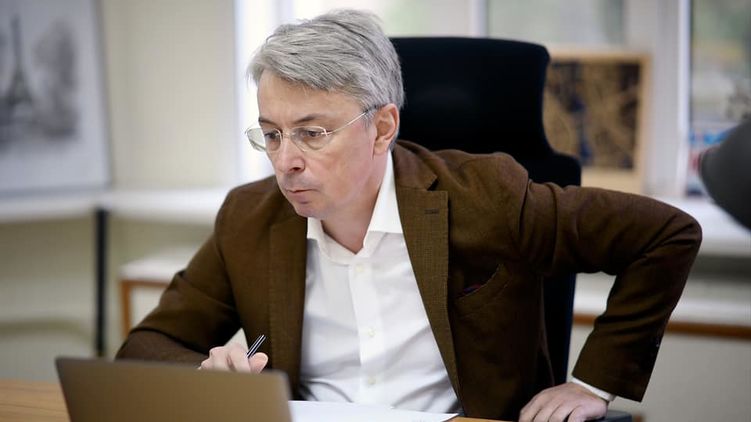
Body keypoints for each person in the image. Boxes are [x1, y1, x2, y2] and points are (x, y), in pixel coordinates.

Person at [116, 9, 702, 422]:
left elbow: (666, 234)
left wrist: (593, 383)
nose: (285, 160)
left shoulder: (486, 197)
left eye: (312, 133)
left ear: (382, 128)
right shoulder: (249, 217)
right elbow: (148, 345)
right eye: (271, 134)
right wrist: (208, 375)